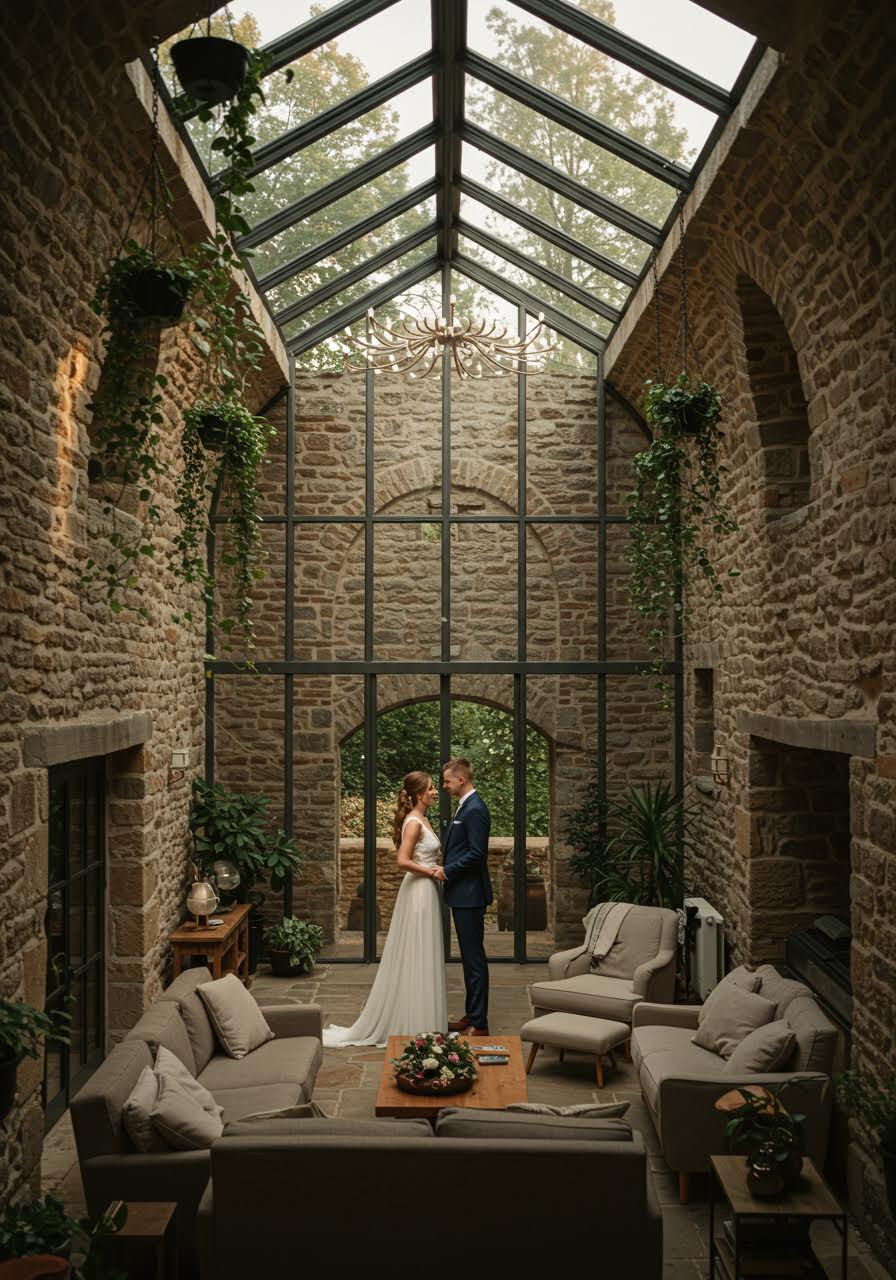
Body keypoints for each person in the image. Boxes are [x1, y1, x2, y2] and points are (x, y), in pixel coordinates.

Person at [322, 771, 448, 1047]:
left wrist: (434, 870)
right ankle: (413, 1023)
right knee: (416, 950)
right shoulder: (413, 822)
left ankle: (423, 1019)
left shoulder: (422, 817)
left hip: (426, 889)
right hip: (418, 891)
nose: (435, 792)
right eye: (430, 788)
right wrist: (431, 871)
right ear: (418, 794)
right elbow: (402, 860)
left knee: (423, 951)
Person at [433, 758, 492, 1036]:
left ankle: (480, 1023)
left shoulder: (476, 809)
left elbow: (477, 854)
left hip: (471, 895)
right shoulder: (465, 806)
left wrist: (447, 871)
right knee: (469, 959)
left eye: (446, 781)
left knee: (474, 960)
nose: (444, 786)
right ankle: (471, 1014)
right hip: (462, 894)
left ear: (461, 779)